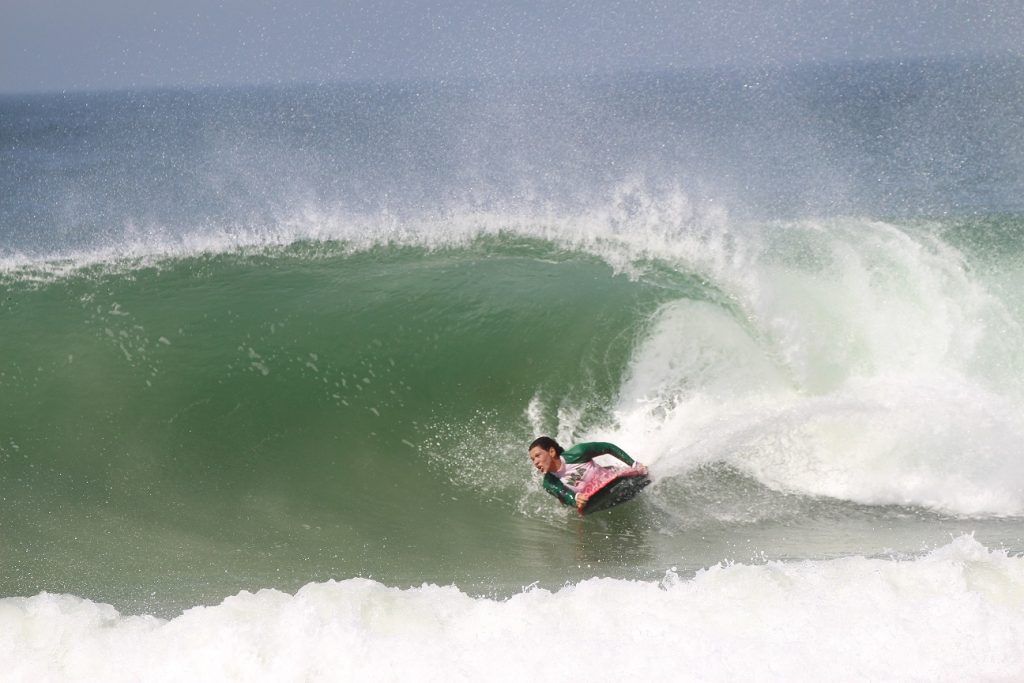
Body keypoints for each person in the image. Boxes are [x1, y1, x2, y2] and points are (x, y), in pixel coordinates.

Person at [528, 436, 648, 511]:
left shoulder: (578, 453)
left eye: (538, 456)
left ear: (552, 452)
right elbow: (563, 493)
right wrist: (575, 499)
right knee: (562, 499)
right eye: (533, 459)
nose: (535, 462)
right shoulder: (549, 482)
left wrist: (633, 464)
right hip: (590, 497)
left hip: (609, 477)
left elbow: (608, 447)